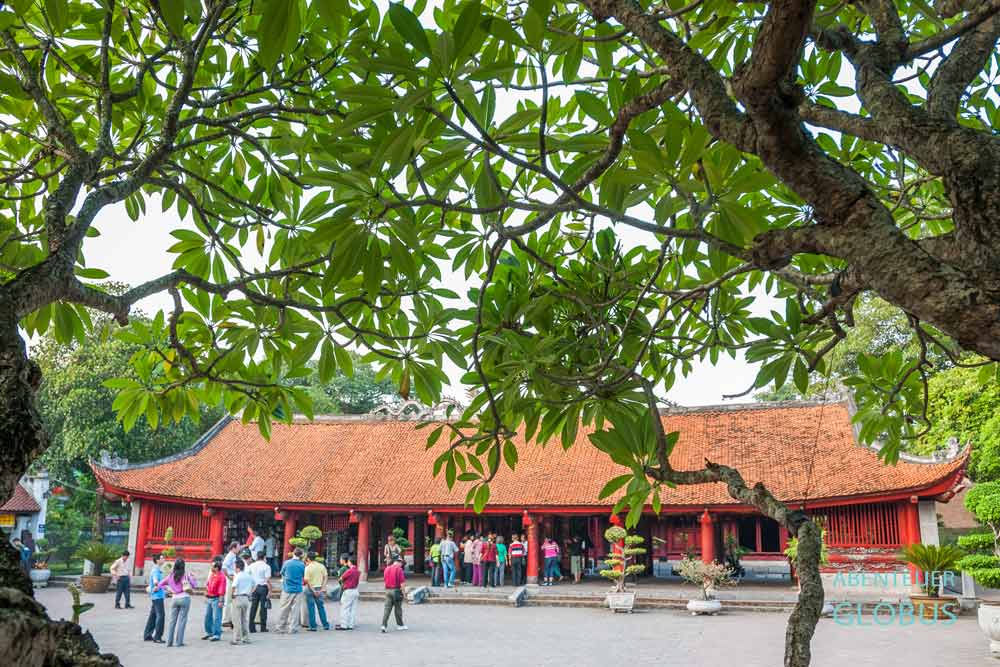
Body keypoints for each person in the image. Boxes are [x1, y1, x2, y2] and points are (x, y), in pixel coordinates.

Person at [154, 558, 197, 647]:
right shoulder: (186, 575)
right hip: (185, 598)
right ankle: (179, 642)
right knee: (182, 621)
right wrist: (193, 577)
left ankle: (169, 642)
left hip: (174, 599)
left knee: (172, 621)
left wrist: (168, 589)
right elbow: (194, 585)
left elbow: (160, 584)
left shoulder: (170, 576)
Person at [275, 547, 306, 634]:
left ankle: (280, 627)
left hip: (287, 589)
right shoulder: (302, 564)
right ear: (301, 555)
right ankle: (293, 628)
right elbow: (304, 576)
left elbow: (282, 573)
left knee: (284, 609)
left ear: (293, 553)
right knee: (295, 610)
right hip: (298, 589)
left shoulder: (287, 563)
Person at [304, 551, 331, 631]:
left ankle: (313, 626)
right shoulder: (321, 566)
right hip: (319, 587)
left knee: (311, 608)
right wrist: (323, 588)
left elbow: (307, 581)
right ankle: (325, 625)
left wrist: (313, 591)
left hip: (310, 589)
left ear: (308, 558)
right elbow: (326, 577)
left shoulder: (308, 567)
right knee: (321, 607)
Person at [230, 558, 254, 645]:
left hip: (238, 597)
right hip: (246, 598)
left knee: (236, 620)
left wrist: (232, 595)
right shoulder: (248, 575)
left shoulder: (238, 576)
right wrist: (250, 593)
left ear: (238, 568)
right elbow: (254, 585)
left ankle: (237, 639)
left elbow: (233, 586)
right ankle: (246, 638)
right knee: (244, 619)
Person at [143, 553, 166, 643]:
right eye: (162, 558)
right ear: (157, 560)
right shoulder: (156, 570)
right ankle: (157, 637)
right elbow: (156, 581)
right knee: (161, 616)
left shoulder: (156, 569)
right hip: (158, 596)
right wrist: (157, 585)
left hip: (155, 596)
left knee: (153, 615)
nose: (163, 559)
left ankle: (147, 635)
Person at [380, 555, 407, 633]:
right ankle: (400, 625)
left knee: (387, 609)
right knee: (398, 609)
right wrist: (404, 593)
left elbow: (385, 580)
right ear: (397, 561)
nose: (401, 563)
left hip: (388, 590)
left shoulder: (387, 569)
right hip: (396, 590)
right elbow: (402, 583)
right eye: (400, 562)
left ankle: (383, 625)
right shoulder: (399, 569)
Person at [248, 550, 272, 633]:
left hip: (254, 587)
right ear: (264, 557)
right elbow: (267, 580)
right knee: (263, 608)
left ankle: (251, 627)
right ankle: (263, 627)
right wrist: (270, 590)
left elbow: (248, 576)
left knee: (253, 607)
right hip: (263, 587)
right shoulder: (266, 566)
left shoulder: (251, 565)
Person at [201, 561, 226, 641]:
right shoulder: (212, 575)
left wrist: (221, 601)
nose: (211, 568)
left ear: (217, 568)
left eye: (212, 566)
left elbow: (221, 590)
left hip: (216, 598)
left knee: (216, 617)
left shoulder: (222, 577)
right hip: (209, 597)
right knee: (208, 616)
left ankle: (216, 634)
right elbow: (208, 585)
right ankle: (209, 632)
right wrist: (206, 592)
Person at [335, 554, 360, 630]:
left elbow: (340, 579)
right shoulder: (357, 571)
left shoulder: (349, 571)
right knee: (353, 609)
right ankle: (351, 625)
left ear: (350, 562)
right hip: (355, 590)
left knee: (345, 608)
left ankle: (344, 625)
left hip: (348, 591)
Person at [221, 541, 240, 626]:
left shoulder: (233, 555)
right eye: (238, 547)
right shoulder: (230, 556)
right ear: (233, 548)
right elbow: (224, 567)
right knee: (228, 599)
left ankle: (229, 618)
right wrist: (228, 576)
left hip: (233, 577)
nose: (239, 548)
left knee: (231, 599)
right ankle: (225, 620)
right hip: (231, 577)